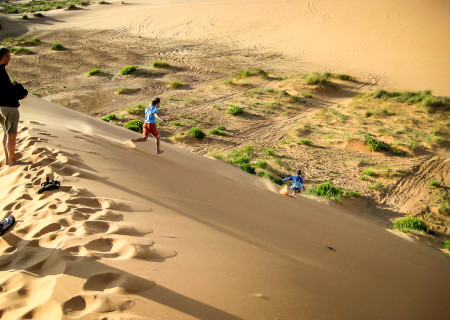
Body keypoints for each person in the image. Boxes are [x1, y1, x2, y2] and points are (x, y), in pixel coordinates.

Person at [0, 47, 27, 166]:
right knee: (12, 135)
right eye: (8, 56)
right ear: (3, 57)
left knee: (5, 132)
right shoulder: (1, 72)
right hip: (9, 107)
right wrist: (20, 93)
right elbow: (7, 90)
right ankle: (11, 161)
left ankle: (7, 160)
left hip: (0, 107)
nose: (9, 59)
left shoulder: (1, 70)